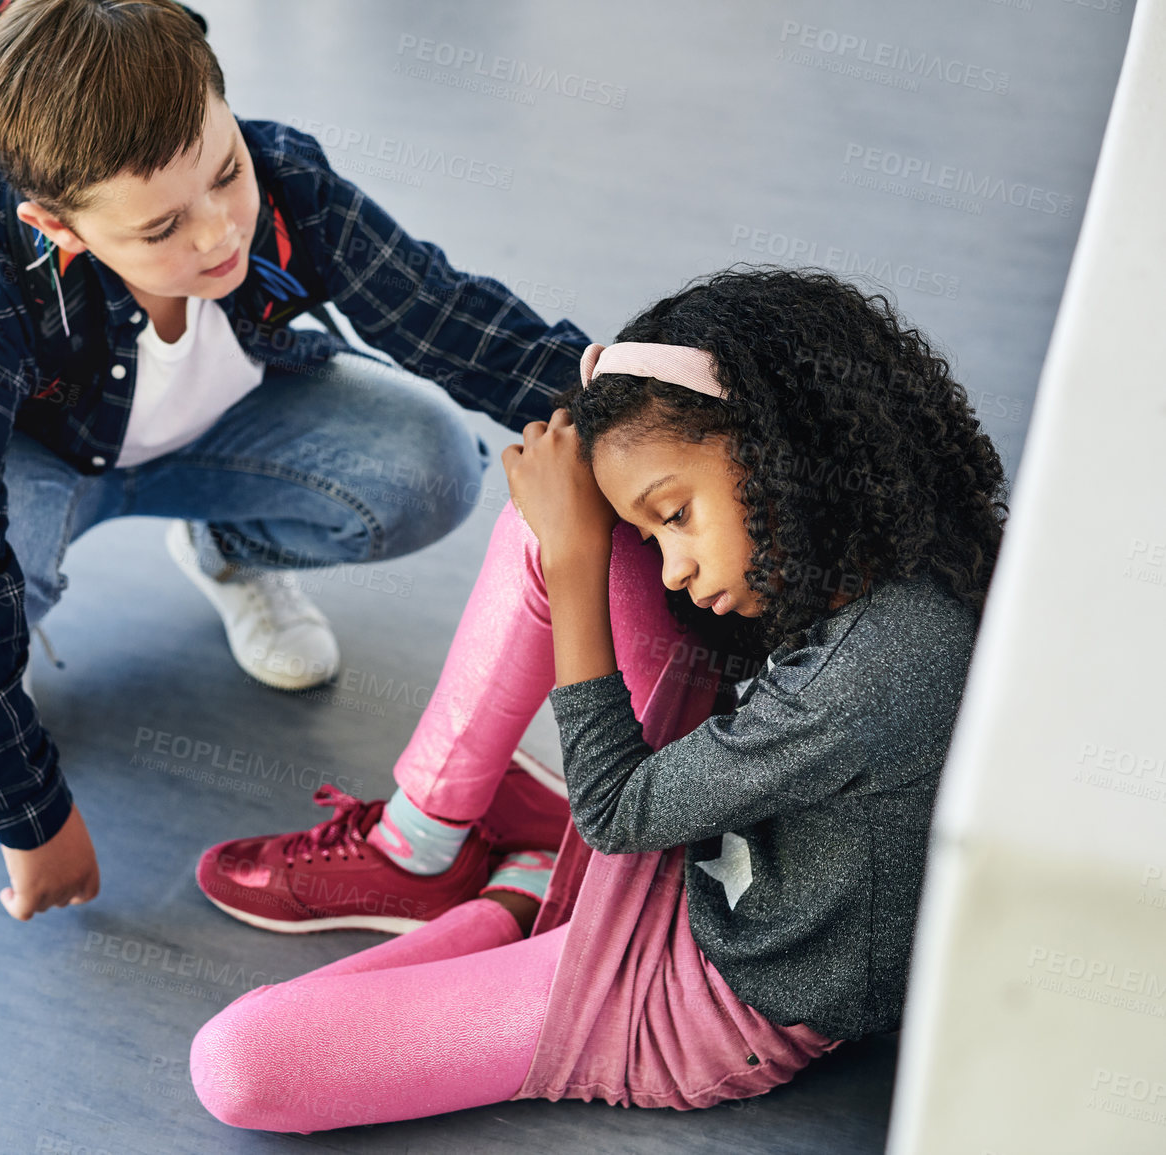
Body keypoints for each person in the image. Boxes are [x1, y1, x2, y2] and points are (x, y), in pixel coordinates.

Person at [189, 267, 1009, 1130]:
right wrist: (586, 523)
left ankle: (515, 904)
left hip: (692, 1009)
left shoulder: (879, 666)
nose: (675, 570)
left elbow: (616, 813)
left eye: (677, 514)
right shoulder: (891, 557)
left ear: (785, 446)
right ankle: (419, 846)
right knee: (546, 525)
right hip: (710, 853)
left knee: (237, 1064)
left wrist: (580, 558)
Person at [0, 0, 591, 921]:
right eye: (158, 230)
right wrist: (26, 812)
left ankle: (225, 549)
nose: (217, 234)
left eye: (224, 172)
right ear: (57, 224)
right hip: (34, 472)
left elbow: (457, 323)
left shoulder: (280, 180)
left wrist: (645, 422)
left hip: (207, 432)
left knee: (431, 464)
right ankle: (7, 640)